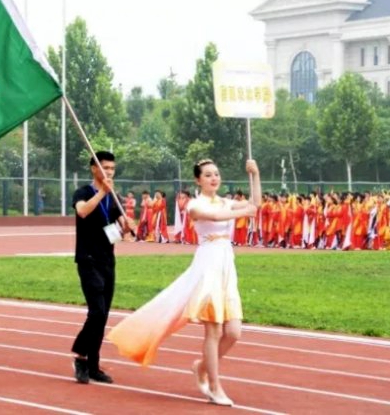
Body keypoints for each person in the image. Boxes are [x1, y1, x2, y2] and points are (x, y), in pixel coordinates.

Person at [107, 158, 261, 407]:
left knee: (234, 332)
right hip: (207, 267)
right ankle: (214, 386)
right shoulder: (194, 205)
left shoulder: (226, 201)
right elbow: (216, 215)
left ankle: (201, 366)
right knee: (214, 330)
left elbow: (256, 203)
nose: (214, 178)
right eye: (208, 175)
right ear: (198, 180)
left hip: (226, 266)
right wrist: (245, 211)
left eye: (216, 174)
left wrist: (255, 174)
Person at [71, 151, 134, 385]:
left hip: (107, 260)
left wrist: (127, 226)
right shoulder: (84, 192)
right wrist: (102, 192)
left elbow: (120, 228)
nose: (109, 172)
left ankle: (93, 365)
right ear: (94, 168)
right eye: (105, 167)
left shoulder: (113, 198)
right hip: (88, 259)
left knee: (103, 315)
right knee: (96, 311)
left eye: (112, 168)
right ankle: (80, 355)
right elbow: (82, 211)